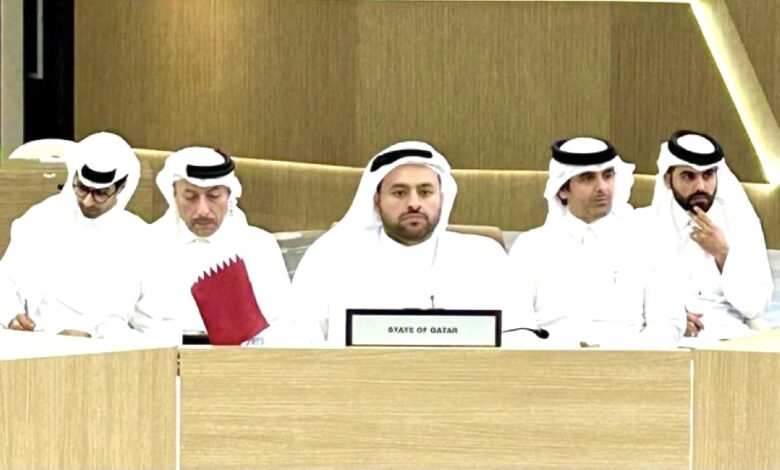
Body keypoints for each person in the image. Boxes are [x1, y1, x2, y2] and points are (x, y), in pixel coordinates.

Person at [292, 141, 510, 346]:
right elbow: (298, 344)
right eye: (399, 193)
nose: (414, 203)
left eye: (425, 192)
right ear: (376, 201)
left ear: (442, 199)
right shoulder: (329, 258)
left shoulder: (485, 258)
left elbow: (514, 341)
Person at [506, 136, 685, 348]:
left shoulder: (647, 242)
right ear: (562, 189)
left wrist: (621, 354)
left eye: (608, 176)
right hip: (552, 362)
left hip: (630, 361)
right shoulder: (531, 246)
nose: (602, 187)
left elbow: (668, 324)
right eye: (587, 178)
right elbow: (515, 327)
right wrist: (566, 352)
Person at [130, 147, 298, 346]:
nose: (203, 210)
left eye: (214, 196)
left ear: (229, 195)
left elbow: (286, 328)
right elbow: (112, 326)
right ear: (173, 194)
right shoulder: (142, 245)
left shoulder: (260, 247)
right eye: (190, 197)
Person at [0, 132, 147, 338]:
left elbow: (152, 322)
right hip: (37, 340)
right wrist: (11, 316)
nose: (88, 201)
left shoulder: (140, 238)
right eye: (82, 188)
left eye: (100, 193)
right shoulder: (41, 218)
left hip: (107, 348)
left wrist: (91, 335)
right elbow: (5, 282)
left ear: (121, 187)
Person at [636, 130, 773, 342]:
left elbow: (755, 306)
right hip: (664, 339)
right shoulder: (642, 224)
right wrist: (671, 319)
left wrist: (723, 254)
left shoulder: (739, 224)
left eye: (708, 175)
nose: (700, 186)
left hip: (729, 338)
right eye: (688, 176)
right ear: (668, 179)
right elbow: (623, 299)